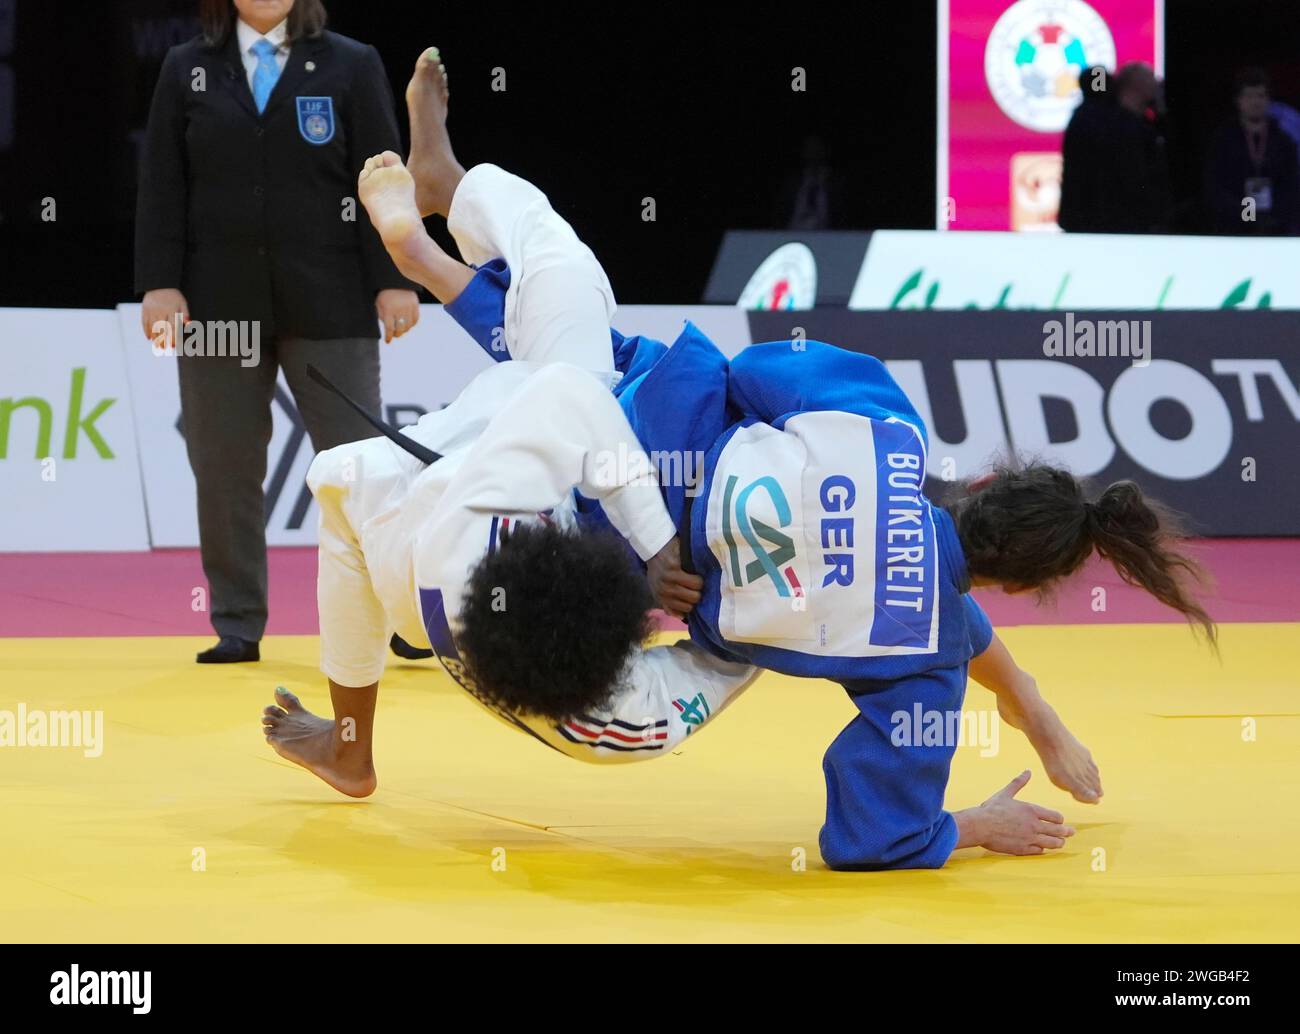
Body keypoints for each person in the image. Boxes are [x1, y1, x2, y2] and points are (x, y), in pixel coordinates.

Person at [265, 48, 1212, 872]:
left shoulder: (880, 424)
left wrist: (702, 463)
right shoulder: (926, 651)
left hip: (621, 460)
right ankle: (430, 254)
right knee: (737, 632)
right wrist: (970, 821)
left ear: (991, 480)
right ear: (1011, 584)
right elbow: (867, 835)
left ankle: (446, 214)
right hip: (623, 588)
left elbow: (749, 372)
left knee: (568, 299)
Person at [135, 0, 421, 664]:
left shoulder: (351, 64)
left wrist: (395, 275)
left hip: (333, 297)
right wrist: (159, 281)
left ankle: (401, 609)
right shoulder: (186, 69)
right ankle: (236, 620)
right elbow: (162, 183)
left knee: (361, 467)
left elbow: (383, 179)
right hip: (215, 302)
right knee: (223, 462)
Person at [1058, 62, 1171, 233]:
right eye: (1151, 80)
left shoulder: (1140, 126)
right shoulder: (1099, 120)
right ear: (1138, 86)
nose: (1157, 85)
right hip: (1103, 227)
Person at [1206, 67, 1300, 236]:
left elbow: (1291, 187)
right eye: (1249, 96)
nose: (1255, 102)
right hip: (1234, 228)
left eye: (1261, 96)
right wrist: (1246, 215)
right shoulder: (1224, 140)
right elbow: (1216, 186)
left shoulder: (1283, 142)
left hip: (1276, 228)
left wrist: (1272, 217)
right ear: (1238, 100)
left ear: (1269, 100)